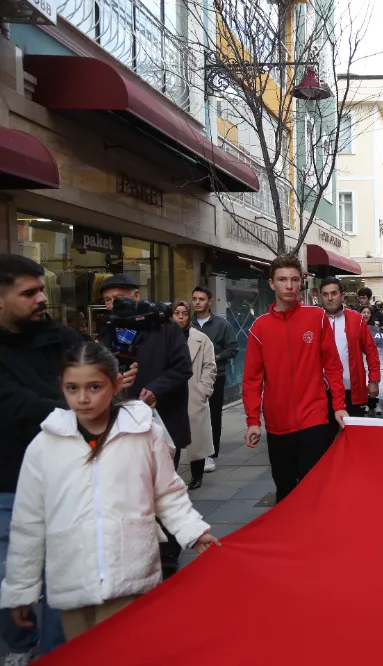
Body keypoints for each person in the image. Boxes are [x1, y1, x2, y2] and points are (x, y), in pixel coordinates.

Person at [0, 342, 219, 642]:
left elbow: (167, 494)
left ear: (116, 384)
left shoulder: (143, 433)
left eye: (94, 387)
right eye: (72, 388)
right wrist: (21, 590)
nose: (83, 398)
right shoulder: (45, 444)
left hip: (131, 578)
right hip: (72, 585)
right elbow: (28, 521)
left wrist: (194, 531)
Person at [0, 255, 90, 660]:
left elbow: (93, 384)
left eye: (42, 290)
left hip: (66, 485)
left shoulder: (63, 339)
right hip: (7, 489)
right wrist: (74, 408)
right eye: (29, 292)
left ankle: (55, 654)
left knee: (65, 588)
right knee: (10, 585)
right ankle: (19, 649)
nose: (42, 299)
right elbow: (16, 408)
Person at [97, 273, 193, 574]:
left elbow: (182, 368)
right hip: (122, 419)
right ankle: (139, 548)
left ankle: (168, 551)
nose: (112, 305)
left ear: (136, 296)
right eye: (107, 301)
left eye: (118, 298)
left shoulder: (165, 326)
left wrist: (157, 389)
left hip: (161, 418)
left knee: (163, 487)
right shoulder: (109, 330)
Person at [243, 255, 348, 503]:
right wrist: (252, 420)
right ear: (272, 284)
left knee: (315, 490)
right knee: (286, 491)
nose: (289, 286)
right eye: (282, 280)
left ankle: (317, 540)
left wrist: (339, 406)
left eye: (294, 279)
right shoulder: (259, 328)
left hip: (314, 418)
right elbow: (251, 380)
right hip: (278, 423)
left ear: (301, 282)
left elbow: (332, 365)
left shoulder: (317, 317)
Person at [190, 286, 238, 474]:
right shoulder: (188, 323)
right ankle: (195, 452)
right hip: (191, 377)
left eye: (201, 299)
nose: (197, 302)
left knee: (213, 415)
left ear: (209, 301)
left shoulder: (221, 324)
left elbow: (232, 348)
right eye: (194, 299)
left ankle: (211, 454)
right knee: (193, 415)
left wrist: (214, 357)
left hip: (216, 375)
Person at [320, 277, 380, 423]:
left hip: (352, 391)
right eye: (325, 294)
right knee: (324, 441)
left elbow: (371, 350)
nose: (329, 298)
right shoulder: (315, 320)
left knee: (353, 439)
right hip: (322, 392)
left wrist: (374, 380)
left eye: (333, 293)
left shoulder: (356, 319)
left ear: (342, 295)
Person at [171, 301, 217, 491]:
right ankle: (170, 477)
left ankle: (196, 475)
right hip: (170, 393)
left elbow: (210, 365)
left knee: (196, 437)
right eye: (176, 313)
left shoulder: (201, 338)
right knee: (169, 438)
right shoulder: (164, 338)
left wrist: (203, 389)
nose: (180, 317)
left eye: (184, 313)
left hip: (193, 392)